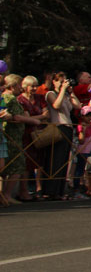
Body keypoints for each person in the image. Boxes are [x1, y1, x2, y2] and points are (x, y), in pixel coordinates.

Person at [2, 74, 42, 203]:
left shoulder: (8, 97)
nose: (21, 88)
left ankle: (5, 195)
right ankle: (7, 195)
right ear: (13, 86)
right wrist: (32, 120)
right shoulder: (10, 98)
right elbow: (15, 117)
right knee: (17, 166)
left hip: (14, 136)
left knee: (9, 165)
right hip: (12, 137)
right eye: (19, 85)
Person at [41, 73, 80, 200]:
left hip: (68, 127)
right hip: (57, 127)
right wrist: (62, 90)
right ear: (54, 82)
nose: (63, 83)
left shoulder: (66, 95)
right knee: (55, 159)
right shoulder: (50, 94)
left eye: (64, 81)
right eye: (60, 81)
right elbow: (56, 106)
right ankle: (50, 190)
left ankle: (59, 190)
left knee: (64, 160)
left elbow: (77, 106)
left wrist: (71, 92)